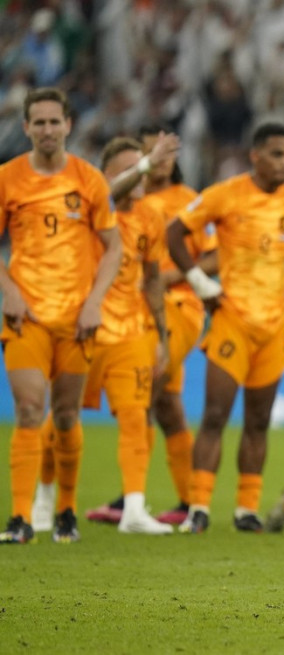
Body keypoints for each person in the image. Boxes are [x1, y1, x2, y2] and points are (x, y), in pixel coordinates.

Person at [166, 122, 284, 534]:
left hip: (273, 326)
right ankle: (198, 507)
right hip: (232, 320)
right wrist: (199, 282)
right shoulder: (225, 195)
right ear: (255, 155)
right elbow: (175, 233)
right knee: (215, 415)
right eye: (277, 154)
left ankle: (246, 509)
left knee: (258, 421)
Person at [0, 88, 122, 544]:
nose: (48, 130)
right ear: (27, 127)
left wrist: (94, 302)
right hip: (25, 317)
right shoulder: (7, 178)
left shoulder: (89, 180)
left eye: (55, 121)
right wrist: (9, 292)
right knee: (30, 410)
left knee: (67, 416)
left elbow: (114, 247)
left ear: (69, 125)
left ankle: (67, 510)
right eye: (39, 122)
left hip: (76, 320)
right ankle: (19, 518)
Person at [35, 138, 174, 535]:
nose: (142, 174)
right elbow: (105, 193)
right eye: (132, 167)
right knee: (61, 419)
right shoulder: (90, 209)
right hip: (84, 328)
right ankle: (44, 499)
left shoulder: (151, 217)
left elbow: (151, 280)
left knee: (135, 418)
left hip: (130, 333)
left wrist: (161, 335)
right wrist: (146, 164)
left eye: (143, 165)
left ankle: (133, 508)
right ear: (109, 177)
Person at [84, 123, 210, 526]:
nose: (160, 160)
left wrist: (174, 277)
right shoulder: (125, 202)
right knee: (167, 405)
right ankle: (188, 502)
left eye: (167, 152)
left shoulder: (189, 201)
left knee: (143, 390)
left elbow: (215, 256)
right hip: (128, 313)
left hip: (177, 306)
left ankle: (131, 500)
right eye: (151, 152)